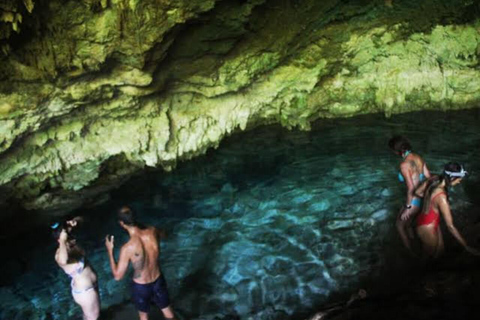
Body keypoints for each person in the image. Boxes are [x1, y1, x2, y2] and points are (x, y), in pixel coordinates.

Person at [105, 206, 176, 320]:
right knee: (169, 314)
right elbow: (165, 235)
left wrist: (110, 251)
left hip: (141, 286)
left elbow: (118, 276)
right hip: (158, 279)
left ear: (122, 223)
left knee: (144, 316)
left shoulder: (128, 248)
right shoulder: (153, 231)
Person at [415, 162, 480, 257]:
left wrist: (429, 199)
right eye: (459, 179)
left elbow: (417, 192)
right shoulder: (441, 196)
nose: (459, 182)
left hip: (425, 219)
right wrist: (466, 246)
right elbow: (450, 226)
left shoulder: (434, 179)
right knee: (429, 258)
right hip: (427, 227)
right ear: (452, 178)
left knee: (440, 251)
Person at [388, 136, 431, 252]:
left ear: (396, 150)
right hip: (421, 199)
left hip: (413, 201)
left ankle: (411, 254)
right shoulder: (418, 157)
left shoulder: (404, 165)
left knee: (399, 226)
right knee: (408, 225)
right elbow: (428, 177)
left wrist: (408, 207)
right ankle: (416, 244)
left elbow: (411, 188)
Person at [53, 218, 100, 320]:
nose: (71, 237)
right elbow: (63, 261)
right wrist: (62, 241)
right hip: (85, 291)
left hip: (91, 286)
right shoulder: (59, 254)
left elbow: (82, 220)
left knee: (89, 316)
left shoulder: (72, 244)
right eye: (67, 236)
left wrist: (74, 222)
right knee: (93, 317)